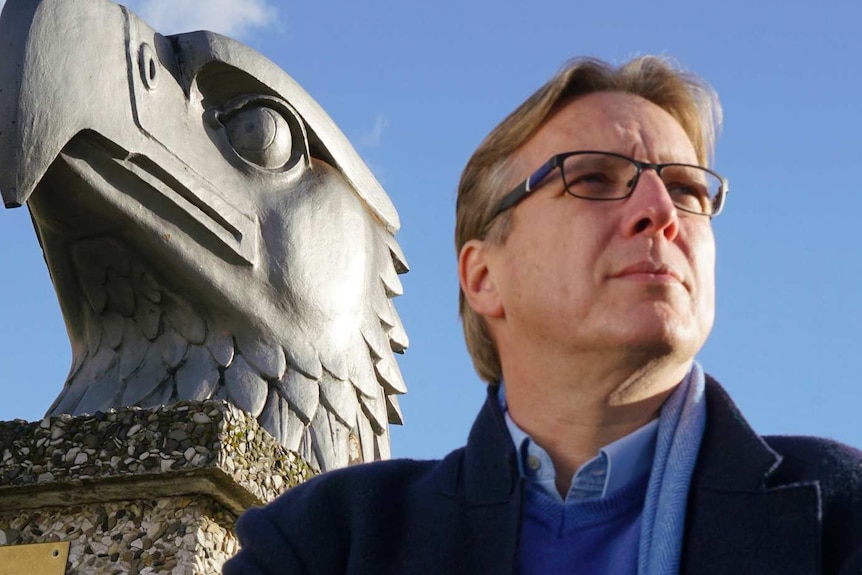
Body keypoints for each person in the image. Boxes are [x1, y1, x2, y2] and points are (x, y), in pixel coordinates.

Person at [223, 56, 862, 575]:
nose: (661, 210)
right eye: (594, 178)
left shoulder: (843, 516)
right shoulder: (325, 543)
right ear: (483, 275)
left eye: (688, 188)